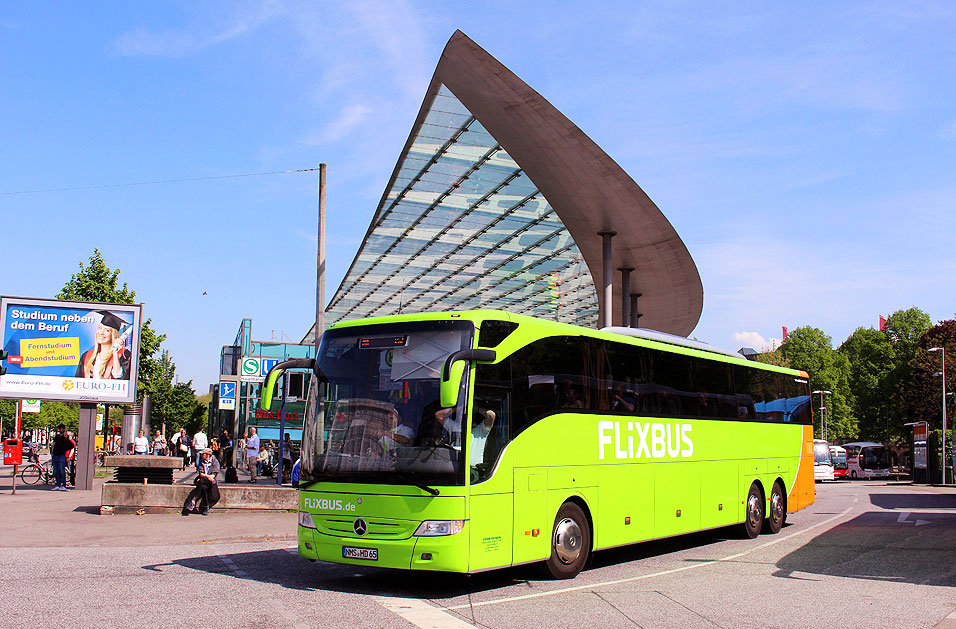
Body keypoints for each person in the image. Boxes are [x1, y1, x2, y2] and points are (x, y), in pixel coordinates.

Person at [75, 311, 131, 380]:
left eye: (107, 330)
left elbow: (121, 379)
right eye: (100, 328)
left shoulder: (124, 354)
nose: (101, 333)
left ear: (113, 334)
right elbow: (77, 381)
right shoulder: (86, 356)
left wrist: (115, 353)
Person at [183, 448, 220, 516]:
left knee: (202, 481)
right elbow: (201, 473)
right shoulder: (201, 462)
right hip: (204, 481)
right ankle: (206, 507)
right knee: (204, 487)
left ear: (208, 455)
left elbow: (214, 474)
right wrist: (207, 476)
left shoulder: (215, 462)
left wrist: (206, 476)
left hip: (210, 482)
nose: (201, 455)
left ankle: (194, 499)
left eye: (203, 454)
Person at [50, 424, 73, 491]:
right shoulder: (57, 437)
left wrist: (66, 438)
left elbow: (71, 445)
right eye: (59, 428)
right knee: (56, 471)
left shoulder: (65, 438)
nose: (60, 430)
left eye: (61, 428)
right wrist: (52, 452)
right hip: (55, 455)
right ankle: (58, 484)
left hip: (61, 456)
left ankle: (64, 485)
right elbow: (54, 444)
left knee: (62, 471)